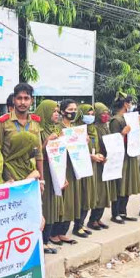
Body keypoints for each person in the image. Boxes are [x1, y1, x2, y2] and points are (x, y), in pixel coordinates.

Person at [0, 83, 44, 179]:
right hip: (10, 176)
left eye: (26, 98)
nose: (22, 102)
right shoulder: (3, 122)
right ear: (13, 100)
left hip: (30, 174)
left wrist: (41, 179)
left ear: (31, 101)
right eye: (19, 98)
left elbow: (38, 153)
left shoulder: (35, 122)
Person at [53, 99, 85, 241]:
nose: (72, 113)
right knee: (62, 201)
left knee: (71, 200)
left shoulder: (75, 128)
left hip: (74, 167)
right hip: (62, 167)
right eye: (70, 110)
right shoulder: (58, 127)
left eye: (74, 110)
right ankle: (54, 233)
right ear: (63, 111)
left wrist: (83, 142)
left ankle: (63, 232)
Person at [34, 100, 62, 255]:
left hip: (54, 172)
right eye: (53, 111)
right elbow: (36, 153)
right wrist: (46, 142)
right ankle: (42, 240)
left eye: (58, 111)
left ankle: (48, 238)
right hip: (43, 171)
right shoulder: (37, 131)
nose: (56, 114)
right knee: (44, 205)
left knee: (53, 205)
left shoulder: (55, 129)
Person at [109, 95, 140, 223]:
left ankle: (123, 211)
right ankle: (115, 213)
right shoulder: (116, 120)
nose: (131, 105)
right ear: (125, 104)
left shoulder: (129, 119)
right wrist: (123, 133)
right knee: (119, 185)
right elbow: (113, 141)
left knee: (127, 184)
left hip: (130, 153)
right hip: (120, 157)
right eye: (130, 103)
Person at [74, 103, 104, 236]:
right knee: (82, 197)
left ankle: (82, 224)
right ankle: (77, 226)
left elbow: (96, 147)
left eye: (92, 114)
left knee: (88, 196)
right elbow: (74, 150)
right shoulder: (76, 129)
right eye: (87, 114)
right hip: (80, 168)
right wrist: (90, 156)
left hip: (92, 167)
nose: (90, 117)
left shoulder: (93, 129)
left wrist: (98, 155)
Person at [88, 102, 115, 230]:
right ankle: (92, 220)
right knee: (99, 192)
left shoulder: (106, 127)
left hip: (106, 162)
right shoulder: (95, 128)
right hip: (98, 163)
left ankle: (98, 219)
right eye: (102, 113)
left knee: (105, 192)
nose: (105, 115)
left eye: (106, 113)